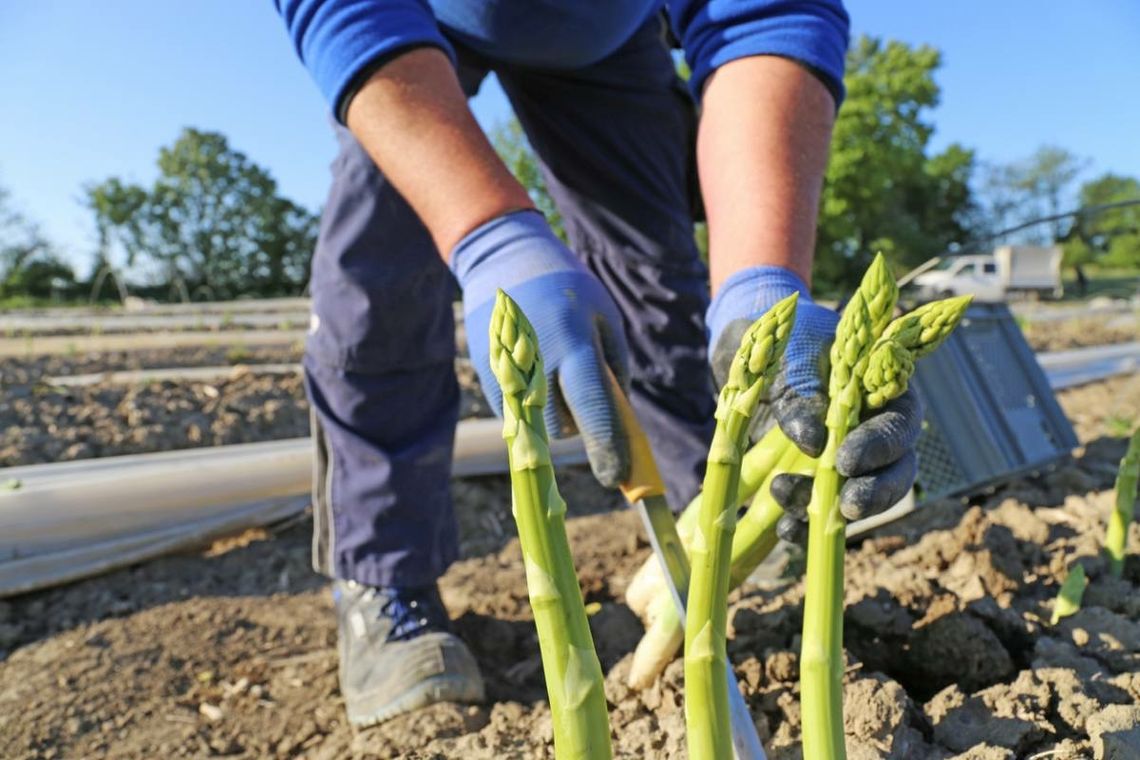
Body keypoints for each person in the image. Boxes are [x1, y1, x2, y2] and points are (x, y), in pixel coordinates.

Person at [275, 0, 924, 727]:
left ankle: (711, 521)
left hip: (608, 37)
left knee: (654, 280)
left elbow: (765, 16)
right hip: (408, 22)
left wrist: (764, 285)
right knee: (377, 279)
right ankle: (383, 576)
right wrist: (489, 236)